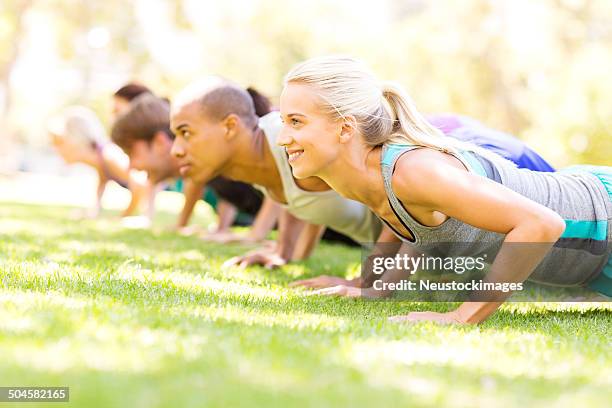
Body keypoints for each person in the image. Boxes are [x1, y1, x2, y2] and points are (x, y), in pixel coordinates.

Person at [279, 55, 611, 324]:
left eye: (296, 122)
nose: (282, 138)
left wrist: (464, 315)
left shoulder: (414, 172)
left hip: (603, 220)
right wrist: (373, 287)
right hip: (594, 262)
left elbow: (541, 224)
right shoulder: (373, 177)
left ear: (344, 128)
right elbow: (420, 227)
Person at [169, 76, 557, 268]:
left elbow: (390, 192)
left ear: (231, 127)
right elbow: (293, 199)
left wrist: (371, 281)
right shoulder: (260, 161)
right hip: (437, 175)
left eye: (185, 133)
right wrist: (285, 253)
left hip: (465, 148)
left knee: (560, 208)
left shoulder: (290, 143)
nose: (176, 149)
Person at [111, 93, 279, 239]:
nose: (131, 166)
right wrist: (184, 225)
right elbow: (200, 185)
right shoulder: (201, 170)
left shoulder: (213, 155)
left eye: (131, 154)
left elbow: (278, 172)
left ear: (159, 142)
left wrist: (257, 235)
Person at [49, 106, 149, 219]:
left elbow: (140, 184)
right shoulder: (99, 163)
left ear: (76, 139)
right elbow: (101, 187)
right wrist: (91, 214)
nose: (56, 149)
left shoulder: (109, 155)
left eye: (59, 143)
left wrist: (122, 217)